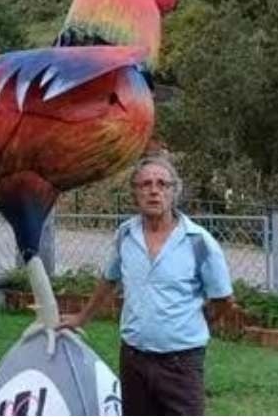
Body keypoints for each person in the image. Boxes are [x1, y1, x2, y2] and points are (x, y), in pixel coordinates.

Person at [59, 155, 234, 415]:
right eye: (146, 184)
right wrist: (82, 317)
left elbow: (223, 300)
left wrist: (197, 322)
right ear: (135, 193)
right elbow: (110, 279)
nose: (154, 190)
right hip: (133, 359)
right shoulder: (125, 235)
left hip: (181, 364)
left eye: (163, 184)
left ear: (174, 192)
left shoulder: (199, 242)